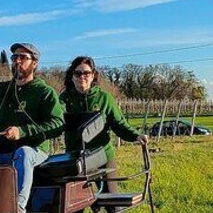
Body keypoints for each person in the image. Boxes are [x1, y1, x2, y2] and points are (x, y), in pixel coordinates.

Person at [0, 43, 64, 212]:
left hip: (33, 151)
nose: (17, 61)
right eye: (14, 57)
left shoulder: (44, 92)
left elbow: (57, 124)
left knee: (24, 153)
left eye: (23, 57)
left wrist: (21, 132)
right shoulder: (0, 89)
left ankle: (17, 207)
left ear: (34, 63)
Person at [60, 55, 147, 193]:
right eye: (78, 73)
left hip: (102, 155)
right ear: (72, 76)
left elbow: (118, 123)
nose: (82, 76)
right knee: (75, 205)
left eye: (86, 73)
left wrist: (136, 136)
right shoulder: (64, 99)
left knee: (111, 202)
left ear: (93, 75)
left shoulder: (104, 98)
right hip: (76, 158)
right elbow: (56, 121)